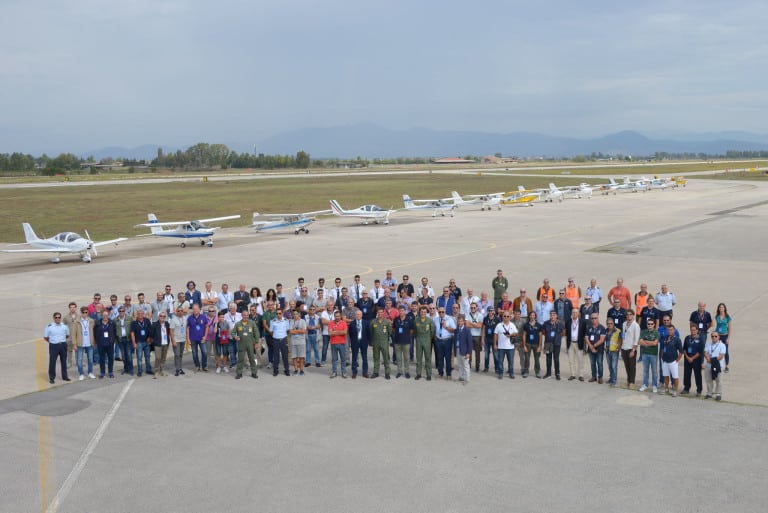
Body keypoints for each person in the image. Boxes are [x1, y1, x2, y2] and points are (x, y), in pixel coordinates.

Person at [44, 312, 70, 384]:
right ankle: (52, 378)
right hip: (53, 346)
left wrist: (61, 341)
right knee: (52, 362)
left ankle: (65, 376)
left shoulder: (64, 326)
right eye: (56, 317)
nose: (57, 319)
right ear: (54, 318)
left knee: (64, 362)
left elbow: (67, 335)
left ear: (60, 318)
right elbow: (46, 337)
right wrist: (53, 341)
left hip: (63, 345)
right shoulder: (49, 327)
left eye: (59, 317)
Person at [233, 309, 259, 379]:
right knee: (240, 359)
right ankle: (239, 373)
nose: (245, 316)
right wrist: (235, 337)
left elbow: (256, 333)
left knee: (252, 359)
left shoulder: (252, 323)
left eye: (247, 315)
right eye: (244, 315)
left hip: (250, 344)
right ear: (242, 316)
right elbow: (233, 332)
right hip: (241, 344)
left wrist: (257, 342)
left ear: (248, 315)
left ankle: (254, 373)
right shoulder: (238, 324)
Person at [72, 306, 96, 380]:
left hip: (89, 343)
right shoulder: (77, 322)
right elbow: (73, 334)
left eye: (86, 312)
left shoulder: (91, 321)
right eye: (83, 312)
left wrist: (94, 342)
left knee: (90, 359)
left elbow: (94, 332)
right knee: (79, 359)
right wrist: (74, 344)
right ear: (81, 313)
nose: (85, 314)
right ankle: (81, 374)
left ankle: (90, 373)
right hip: (80, 343)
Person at [493, 310, 517, 379]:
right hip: (501, 347)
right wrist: (495, 344)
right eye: (504, 316)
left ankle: (511, 373)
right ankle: (500, 373)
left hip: (510, 347)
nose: (506, 317)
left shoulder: (512, 325)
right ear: (502, 317)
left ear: (510, 317)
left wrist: (511, 335)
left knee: (511, 361)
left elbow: (516, 333)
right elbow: (495, 335)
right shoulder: (499, 325)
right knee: (500, 361)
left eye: (507, 316)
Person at [638, 319, 660, 393]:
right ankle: (645, 384)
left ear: (654, 325)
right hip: (645, 354)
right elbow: (640, 342)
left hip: (653, 354)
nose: (650, 325)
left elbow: (655, 343)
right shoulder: (643, 332)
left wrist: (646, 341)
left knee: (654, 371)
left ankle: (654, 385)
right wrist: (650, 342)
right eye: (648, 324)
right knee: (645, 371)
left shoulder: (656, 333)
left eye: (651, 324)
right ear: (647, 325)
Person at [660, 324, 683, 396]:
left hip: (673, 361)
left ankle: (675, 391)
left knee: (675, 377)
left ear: (674, 330)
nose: (670, 331)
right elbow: (662, 349)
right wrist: (662, 357)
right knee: (666, 376)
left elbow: (681, 351)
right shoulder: (665, 338)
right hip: (665, 361)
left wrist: (677, 360)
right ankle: (666, 389)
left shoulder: (677, 339)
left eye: (671, 330)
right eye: (668, 330)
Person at [434, 306, 456, 379]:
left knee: (448, 358)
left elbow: (453, 330)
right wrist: (435, 336)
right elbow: (434, 329)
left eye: (442, 312)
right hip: (439, 341)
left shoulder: (449, 319)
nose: (441, 313)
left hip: (447, 341)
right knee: (440, 358)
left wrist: (445, 327)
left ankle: (448, 374)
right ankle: (440, 373)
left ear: (445, 311)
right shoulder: (436, 319)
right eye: (439, 312)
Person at [370, 308, 392, 379]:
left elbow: (390, 332)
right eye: (378, 312)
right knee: (376, 357)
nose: (380, 314)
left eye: (381, 312)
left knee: (386, 358)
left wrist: (386, 339)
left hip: (384, 342)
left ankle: (387, 373)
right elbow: (371, 332)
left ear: (383, 313)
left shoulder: (387, 322)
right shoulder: (373, 322)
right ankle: (376, 372)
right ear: (377, 313)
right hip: (376, 342)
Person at [541, 310, 564, 380]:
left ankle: (557, 374)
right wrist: (548, 336)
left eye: (554, 314)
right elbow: (543, 332)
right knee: (548, 359)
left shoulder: (560, 323)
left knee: (556, 359)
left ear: (556, 316)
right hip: (548, 343)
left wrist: (558, 337)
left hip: (557, 344)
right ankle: (548, 373)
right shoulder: (546, 323)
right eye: (551, 314)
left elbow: (564, 332)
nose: (552, 316)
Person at [186, 304, 209, 372]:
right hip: (193, 339)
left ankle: (204, 366)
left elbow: (207, 326)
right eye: (194, 309)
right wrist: (188, 338)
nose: (195, 310)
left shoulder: (203, 317)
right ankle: (197, 366)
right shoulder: (190, 318)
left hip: (202, 338)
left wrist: (205, 336)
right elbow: (187, 328)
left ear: (199, 309)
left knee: (204, 352)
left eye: (196, 309)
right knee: (194, 353)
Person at [348, 309, 370, 379]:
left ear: (362, 315)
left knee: (364, 358)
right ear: (355, 315)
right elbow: (350, 333)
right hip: (355, 342)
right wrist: (354, 340)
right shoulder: (352, 323)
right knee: (354, 358)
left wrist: (367, 341)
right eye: (357, 314)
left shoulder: (366, 323)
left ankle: (365, 372)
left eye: (359, 314)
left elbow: (368, 333)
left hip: (364, 342)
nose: (358, 316)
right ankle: (354, 372)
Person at [151, 311, 174, 377]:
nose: (162, 317)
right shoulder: (155, 324)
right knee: (158, 357)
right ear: (159, 317)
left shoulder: (167, 324)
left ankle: (162, 370)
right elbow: (151, 334)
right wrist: (154, 341)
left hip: (165, 343)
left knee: (163, 358)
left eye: (164, 316)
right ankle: (156, 371)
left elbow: (169, 332)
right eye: (161, 316)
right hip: (158, 344)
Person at [413, 306, 433, 380]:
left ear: (426, 313)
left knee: (428, 358)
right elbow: (415, 330)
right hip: (418, 341)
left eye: (424, 312)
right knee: (418, 358)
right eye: (421, 312)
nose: (423, 313)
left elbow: (432, 331)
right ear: (419, 312)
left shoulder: (429, 320)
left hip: (427, 341)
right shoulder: (416, 320)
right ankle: (418, 373)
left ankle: (428, 374)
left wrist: (428, 338)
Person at [94, 310, 116, 378]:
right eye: (104, 315)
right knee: (102, 359)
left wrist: (113, 340)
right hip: (101, 344)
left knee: (110, 359)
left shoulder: (112, 323)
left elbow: (115, 332)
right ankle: (102, 372)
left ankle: (110, 372)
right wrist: (96, 342)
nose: (105, 317)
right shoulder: (97, 323)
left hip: (110, 344)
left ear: (108, 315)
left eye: (106, 315)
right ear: (101, 316)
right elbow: (95, 333)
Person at [565, 309, 586, 381]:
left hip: (579, 343)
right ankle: (572, 374)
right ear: (571, 313)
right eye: (573, 312)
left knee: (580, 360)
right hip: (570, 343)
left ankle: (581, 375)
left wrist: (584, 344)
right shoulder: (568, 322)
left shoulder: (583, 322)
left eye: (576, 312)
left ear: (578, 314)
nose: (574, 314)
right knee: (571, 360)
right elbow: (566, 333)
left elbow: (584, 333)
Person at [584, 313, 606, 384]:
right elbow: (586, 338)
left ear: (598, 318)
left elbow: (602, 339)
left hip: (599, 349)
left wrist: (594, 346)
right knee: (592, 363)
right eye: (592, 318)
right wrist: (590, 346)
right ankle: (594, 376)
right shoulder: (589, 328)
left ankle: (600, 377)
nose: (594, 320)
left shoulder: (602, 328)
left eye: (595, 318)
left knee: (600, 363)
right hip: (590, 349)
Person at [704, 331, 726, 401]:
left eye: (716, 336)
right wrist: (708, 358)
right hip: (708, 365)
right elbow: (706, 352)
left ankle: (718, 394)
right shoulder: (708, 344)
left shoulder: (722, 345)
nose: (714, 337)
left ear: (719, 337)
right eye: (712, 336)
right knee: (708, 380)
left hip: (718, 365)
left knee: (718, 380)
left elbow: (721, 356)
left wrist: (712, 360)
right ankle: (709, 393)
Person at [269, 308, 291, 377]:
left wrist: (283, 336)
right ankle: (275, 371)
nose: (278, 315)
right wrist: (276, 336)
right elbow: (271, 331)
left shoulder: (286, 321)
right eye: (277, 313)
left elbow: (288, 330)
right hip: (276, 340)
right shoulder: (272, 321)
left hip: (283, 339)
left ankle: (287, 370)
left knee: (285, 356)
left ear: (282, 313)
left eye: (280, 313)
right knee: (276, 356)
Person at [621, 310, 640, 389]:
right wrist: (621, 348)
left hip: (631, 348)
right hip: (624, 347)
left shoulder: (636, 325)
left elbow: (636, 339)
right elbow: (623, 335)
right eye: (627, 315)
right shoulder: (624, 324)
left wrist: (633, 350)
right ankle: (628, 381)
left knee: (632, 366)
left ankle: (632, 382)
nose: (629, 316)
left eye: (630, 314)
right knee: (627, 365)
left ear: (633, 315)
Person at [131, 309, 153, 377]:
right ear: (137, 315)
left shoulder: (147, 321)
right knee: (139, 358)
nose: (140, 315)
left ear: (143, 314)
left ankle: (148, 369)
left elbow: (150, 330)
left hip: (147, 342)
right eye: (139, 313)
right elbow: (132, 333)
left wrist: (150, 338)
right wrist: (134, 343)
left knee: (147, 357)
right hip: (139, 343)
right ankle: (140, 371)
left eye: (141, 313)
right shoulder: (134, 323)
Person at [392, 306, 413, 378]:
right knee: (398, 358)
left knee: (407, 358)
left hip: (406, 342)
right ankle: (399, 371)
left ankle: (407, 371)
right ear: (398, 311)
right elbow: (394, 329)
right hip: (397, 342)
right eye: (400, 311)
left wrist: (406, 335)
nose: (401, 312)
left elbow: (411, 330)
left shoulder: (409, 319)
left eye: (402, 311)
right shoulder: (396, 319)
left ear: (405, 311)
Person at [521, 311, 543, 378]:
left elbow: (540, 336)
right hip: (528, 344)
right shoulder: (526, 325)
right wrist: (524, 345)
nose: (532, 316)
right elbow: (524, 335)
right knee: (527, 358)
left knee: (537, 359)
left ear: (535, 316)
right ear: (529, 316)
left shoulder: (539, 325)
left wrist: (539, 346)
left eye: (533, 315)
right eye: (531, 315)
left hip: (536, 344)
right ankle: (526, 371)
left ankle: (537, 372)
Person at [328, 309, 348, 378]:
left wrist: (335, 332)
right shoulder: (331, 323)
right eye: (336, 316)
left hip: (342, 343)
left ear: (340, 316)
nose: (337, 317)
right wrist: (340, 332)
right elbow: (330, 333)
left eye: (338, 316)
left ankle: (344, 372)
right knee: (334, 359)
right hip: (333, 343)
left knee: (343, 359)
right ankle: (334, 372)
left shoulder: (344, 323)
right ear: (334, 316)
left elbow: (345, 332)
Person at [114, 306, 133, 375]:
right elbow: (114, 330)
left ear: (124, 311)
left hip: (127, 339)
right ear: (118, 312)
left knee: (129, 355)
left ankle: (130, 369)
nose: (121, 312)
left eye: (122, 311)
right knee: (123, 355)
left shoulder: (129, 318)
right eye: (120, 311)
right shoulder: (115, 320)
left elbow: (132, 328)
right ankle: (126, 368)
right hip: (120, 339)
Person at [465, 302, 484, 372]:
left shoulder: (480, 315)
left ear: (477, 308)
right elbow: (467, 325)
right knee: (469, 351)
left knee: (477, 352)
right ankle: (469, 365)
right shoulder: (467, 315)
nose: (472, 309)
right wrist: (475, 324)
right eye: (471, 307)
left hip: (477, 336)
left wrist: (471, 323)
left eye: (474, 307)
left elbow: (480, 326)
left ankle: (477, 366)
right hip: (469, 335)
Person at [454, 315, 472, 384]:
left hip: (464, 351)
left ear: (464, 322)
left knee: (465, 365)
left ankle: (467, 379)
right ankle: (461, 376)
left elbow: (469, 343)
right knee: (460, 364)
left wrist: (468, 353)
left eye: (461, 321)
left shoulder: (467, 330)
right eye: (458, 321)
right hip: (458, 349)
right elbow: (455, 340)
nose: (459, 322)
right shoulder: (456, 330)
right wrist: (455, 350)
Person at [714, 303, 732, 373]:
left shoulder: (728, 317)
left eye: (722, 307)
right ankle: (718, 365)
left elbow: (730, 328)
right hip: (718, 336)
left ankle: (727, 366)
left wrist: (728, 338)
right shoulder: (717, 316)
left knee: (726, 351)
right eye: (720, 307)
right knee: (717, 350)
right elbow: (713, 324)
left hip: (725, 335)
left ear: (724, 308)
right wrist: (713, 315)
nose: (721, 309)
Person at [169, 306, 187, 376]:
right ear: (176, 312)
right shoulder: (173, 319)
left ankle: (180, 368)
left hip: (183, 339)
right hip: (176, 340)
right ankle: (177, 369)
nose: (180, 312)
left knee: (181, 355)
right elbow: (171, 331)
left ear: (183, 311)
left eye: (181, 311)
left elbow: (186, 328)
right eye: (178, 311)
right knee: (177, 354)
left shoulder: (185, 318)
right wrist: (173, 341)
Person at [289, 309, 307, 375]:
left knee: (301, 356)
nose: (295, 315)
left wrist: (295, 331)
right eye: (294, 314)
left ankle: (301, 369)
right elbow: (290, 331)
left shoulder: (303, 321)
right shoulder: (291, 321)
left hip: (301, 341)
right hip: (293, 341)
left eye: (296, 314)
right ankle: (296, 369)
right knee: (294, 356)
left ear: (299, 314)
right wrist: (299, 330)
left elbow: (304, 331)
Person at [481, 307, 500, 373]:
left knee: (495, 354)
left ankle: (497, 368)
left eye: (492, 311)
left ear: (494, 311)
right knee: (486, 354)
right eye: (489, 311)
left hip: (494, 339)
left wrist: (498, 340)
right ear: (487, 311)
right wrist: (482, 339)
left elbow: (499, 330)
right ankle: (486, 367)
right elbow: (483, 328)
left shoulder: (497, 319)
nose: (490, 312)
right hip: (487, 338)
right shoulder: (485, 319)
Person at [604, 318, 621, 386]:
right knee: (610, 366)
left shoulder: (618, 331)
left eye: (611, 323)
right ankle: (611, 378)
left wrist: (618, 348)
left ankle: (614, 380)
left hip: (614, 351)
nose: (609, 325)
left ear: (613, 324)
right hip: (607, 350)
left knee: (614, 366)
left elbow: (620, 340)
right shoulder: (605, 331)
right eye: (608, 324)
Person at [62, 302, 78, 369]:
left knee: (78, 350)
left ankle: (78, 362)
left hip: (77, 337)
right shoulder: (66, 317)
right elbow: (63, 327)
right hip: (69, 337)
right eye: (71, 307)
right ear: (69, 308)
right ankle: (69, 362)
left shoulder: (79, 316)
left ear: (76, 308)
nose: (72, 309)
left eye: (74, 307)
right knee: (69, 351)